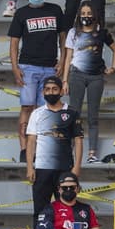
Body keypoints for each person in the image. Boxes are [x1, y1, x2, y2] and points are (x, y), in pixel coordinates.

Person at [9, 0, 66, 160]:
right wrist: (15, 67)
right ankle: (24, 149)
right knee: (27, 107)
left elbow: (63, 38)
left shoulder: (55, 10)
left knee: (45, 109)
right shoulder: (21, 13)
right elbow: (14, 43)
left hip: (50, 67)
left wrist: (62, 60)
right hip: (28, 67)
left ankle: (41, 148)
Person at [61, 4, 115, 164]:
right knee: (74, 115)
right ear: (79, 15)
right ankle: (69, 152)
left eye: (89, 13)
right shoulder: (73, 33)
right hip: (76, 76)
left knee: (93, 116)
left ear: (94, 15)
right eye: (83, 13)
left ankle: (92, 154)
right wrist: (64, 80)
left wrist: (113, 67)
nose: (86, 16)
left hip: (96, 77)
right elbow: (68, 57)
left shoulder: (102, 32)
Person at [27, 76, 84, 218]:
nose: (50, 92)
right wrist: (29, 167)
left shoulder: (72, 113)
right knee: (40, 212)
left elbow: (78, 140)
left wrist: (77, 167)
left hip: (65, 169)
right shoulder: (36, 113)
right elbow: (31, 141)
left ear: (61, 91)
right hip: (42, 170)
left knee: (66, 210)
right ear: (42, 92)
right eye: (47, 89)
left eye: (54, 89)